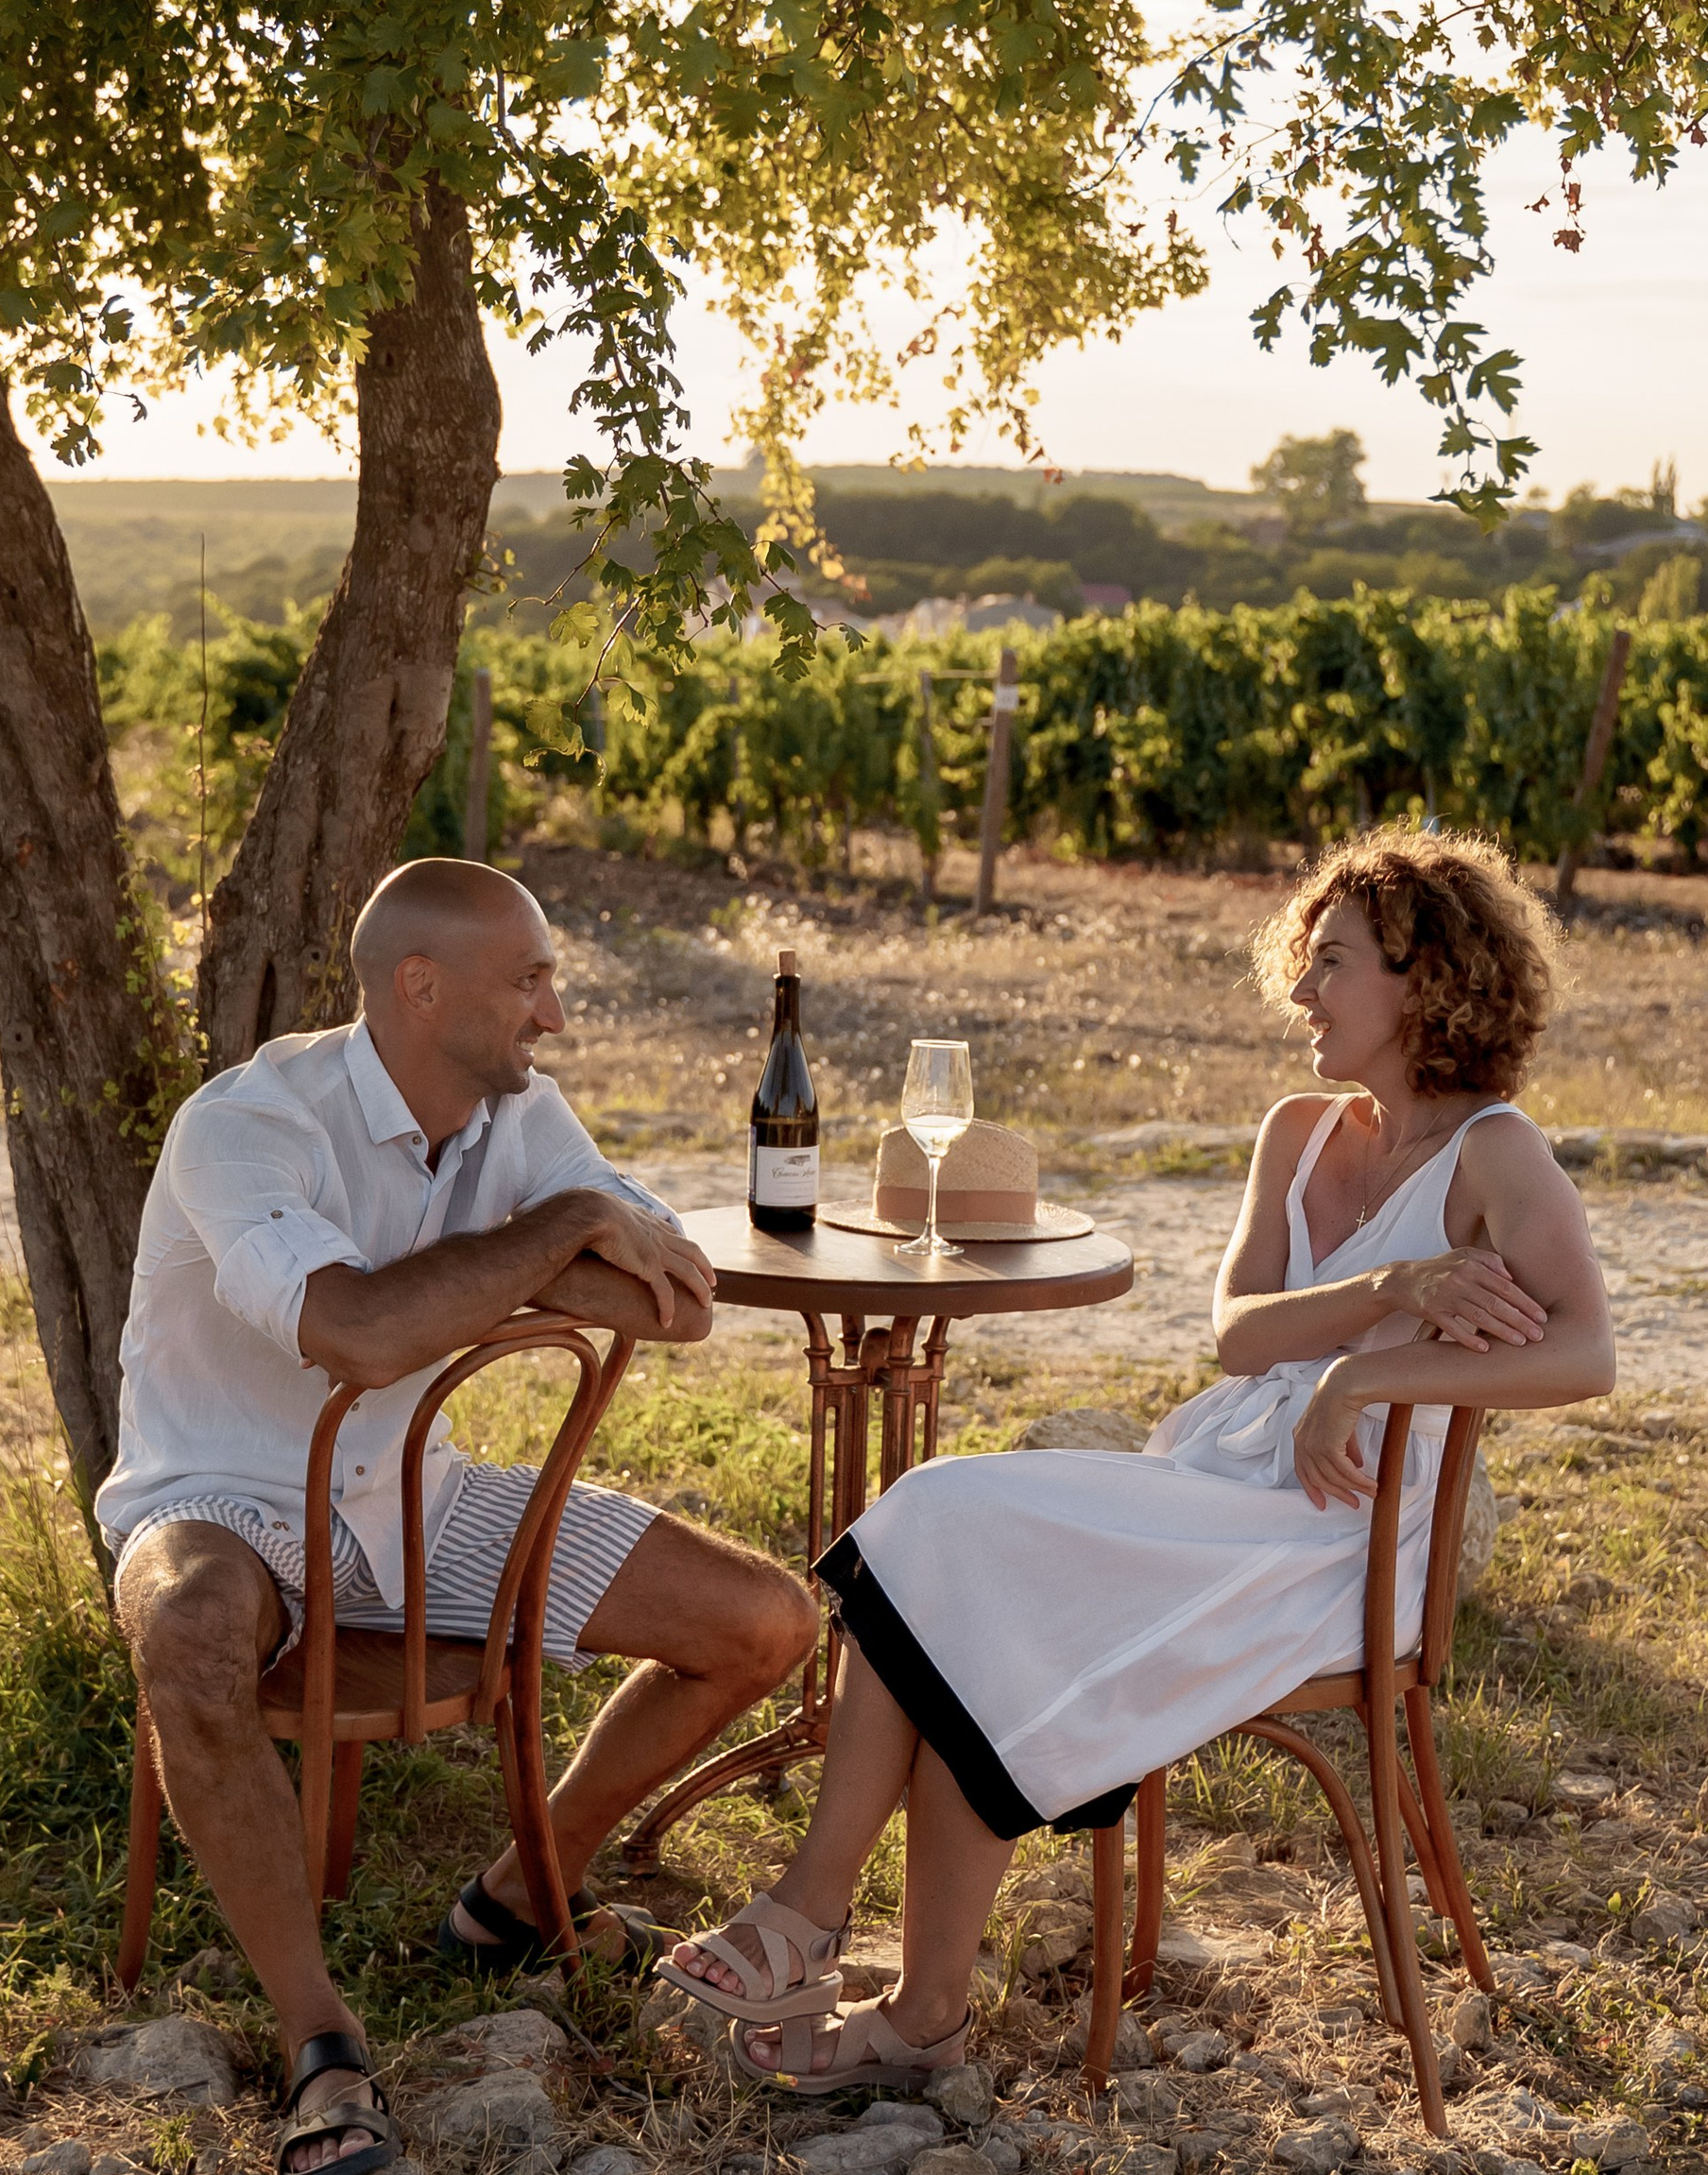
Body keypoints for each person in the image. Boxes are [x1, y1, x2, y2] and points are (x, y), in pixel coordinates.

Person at [665, 827, 1615, 2090]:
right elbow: (1237, 1338)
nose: (1302, 992)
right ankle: (886, 1986)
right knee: (948, 1544)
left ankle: (840, 1948)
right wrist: (1393, 1288)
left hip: (1335, 1534)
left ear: (1425, 976)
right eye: (1308, 959)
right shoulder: (1299, 1132)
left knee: (959, 1541)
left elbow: (1583, 1357)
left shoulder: (1498, 1152)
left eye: (1333, 963)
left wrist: (1369, 1371)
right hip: (1218, 1479)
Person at [103, 858, 817, 2175]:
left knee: (764, 1624)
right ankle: (321, 2040)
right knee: (190, 1629)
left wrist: (519, 1259)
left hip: (417, 1494)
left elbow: (679, 1301)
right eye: (530, 981)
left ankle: (502, 1904)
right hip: (223, 1496)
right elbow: (362, 1334)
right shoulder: (246, 1126)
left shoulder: (519, 1116)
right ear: (420, 988)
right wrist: (555, 1237)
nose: (554, 1017)